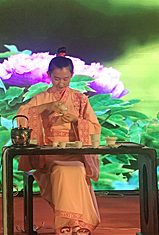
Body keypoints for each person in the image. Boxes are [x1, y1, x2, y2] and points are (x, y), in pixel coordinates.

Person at [16, 47, 101, 235]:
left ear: (71, 76)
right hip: (50, 151)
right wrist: (46, 107)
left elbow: (94, 127)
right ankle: (68, 223)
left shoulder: (80, 99)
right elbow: (22, 115)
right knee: (61, 170)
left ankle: (76, 222)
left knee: (77, 169)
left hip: (74, 151)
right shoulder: (42, 97)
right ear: (49, 75)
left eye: (65, 79)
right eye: (56, 79)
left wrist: (76, 121)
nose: (61, 83)